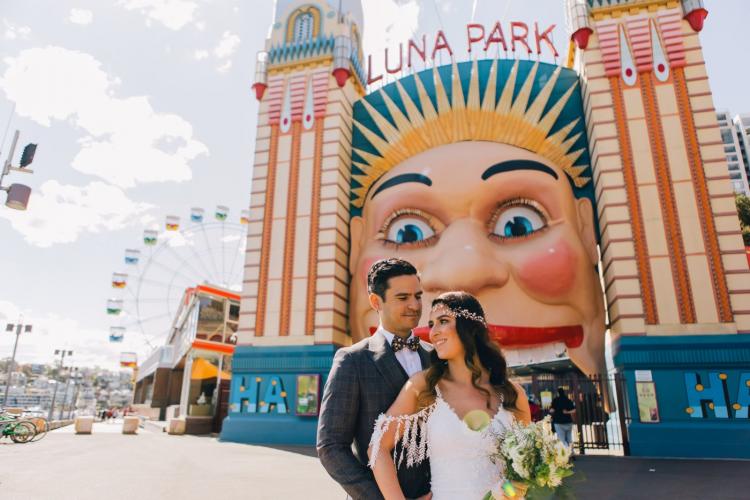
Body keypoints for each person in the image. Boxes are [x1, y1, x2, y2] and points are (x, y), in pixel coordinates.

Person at [368, 291, 531, 500]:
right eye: (431, 324)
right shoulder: (423, 386)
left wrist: (512, 490)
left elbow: (526, 466)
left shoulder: (513, 394)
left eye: (443, 321)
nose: (433, 332)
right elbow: (378, 447)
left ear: (470, 328)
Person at [317, 258, 433, 500]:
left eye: (418, 296)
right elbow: (331, 447)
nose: (414, 305)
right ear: (375, 301)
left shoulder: (438, 357)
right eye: (403, 298)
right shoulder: (352, 360)